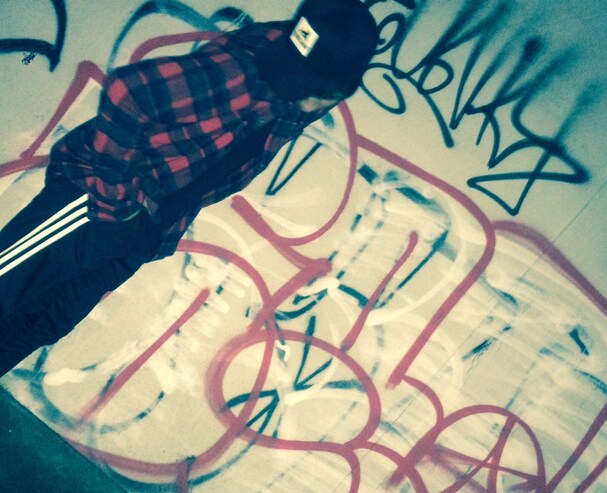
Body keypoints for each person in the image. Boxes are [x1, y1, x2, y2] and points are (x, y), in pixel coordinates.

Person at [0, 0, 378, 378]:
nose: (291, 89)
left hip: (150, 227)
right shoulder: (238, 69)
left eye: (308, 86)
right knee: (6, 290)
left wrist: (148, 231)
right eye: (293, 74)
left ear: (338, 90)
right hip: (92, 203)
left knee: (42, 324)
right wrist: (114, 209)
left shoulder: (318, 90)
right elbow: (127, 91)